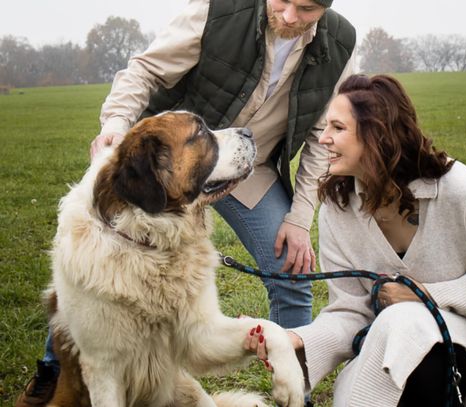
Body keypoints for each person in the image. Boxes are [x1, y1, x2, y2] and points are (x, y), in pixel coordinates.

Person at [16, 0, 356, 405]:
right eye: (282, 1)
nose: (288, 17)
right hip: (172, 162)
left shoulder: (340, 43)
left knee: (291, 268)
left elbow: (321, 139)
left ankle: (296, 380)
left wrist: (300, 220)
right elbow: (146, 69)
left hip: (249, 165)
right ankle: (54, 371)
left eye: (306, 10)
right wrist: (115, 127)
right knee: (86, 261)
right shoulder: (218, 9)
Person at [245, 74, 466, 406]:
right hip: (391, 347)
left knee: (403, 320)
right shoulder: (337, 209)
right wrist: (293, 339)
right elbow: (351, 312)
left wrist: (424, 296)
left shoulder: (460, 192)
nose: (322, 139)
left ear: (377, 134)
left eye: (337, 128)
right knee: (388, 347)